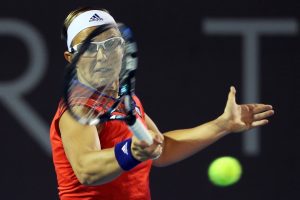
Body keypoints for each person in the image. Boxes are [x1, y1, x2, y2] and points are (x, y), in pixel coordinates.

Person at [50, 7, 274, 200]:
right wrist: (131, 151)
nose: (101, 56)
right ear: (72, 59)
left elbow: (162, 149)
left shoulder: (126, 101)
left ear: (122, 48)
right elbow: (86, 169)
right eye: (88, 48)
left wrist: (222, 125)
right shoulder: (79, 109)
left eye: (110, 44)